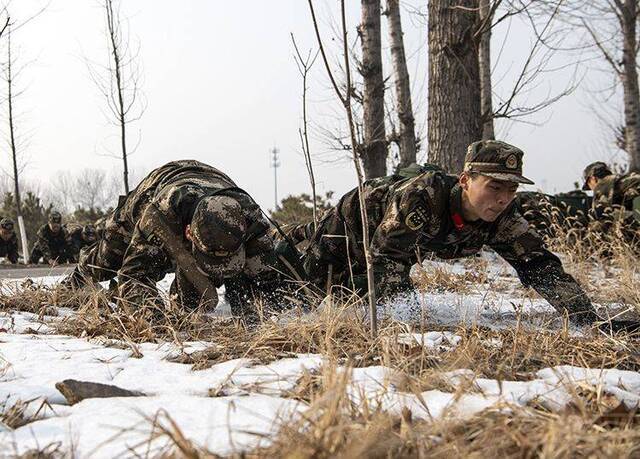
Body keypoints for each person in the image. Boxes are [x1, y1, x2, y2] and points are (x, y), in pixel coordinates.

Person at [302, 140, 622, 328]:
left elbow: (540, 265)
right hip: (348, 228)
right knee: (305, 290)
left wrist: (586, 319)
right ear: (466, 179)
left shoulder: (503, 217)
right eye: (494, 187)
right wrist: (410, 321)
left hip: (388, 248)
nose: (502, 198)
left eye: (511, 190)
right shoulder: (423, 196)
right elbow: (387, 260)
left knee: (348, 298)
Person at [65, 160, 292, 315]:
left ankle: (187, 294)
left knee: (192, 305)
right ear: (188, 234)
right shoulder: (160, 216)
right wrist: (155, 318)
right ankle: (78, 274)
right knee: (107, 262)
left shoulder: (250, 217)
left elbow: (266, 280)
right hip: (154, 189)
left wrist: (257, 311)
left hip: (212, 179)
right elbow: (134, 277)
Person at [581, 161, 640, 229]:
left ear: (592, 179)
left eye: (589, 185)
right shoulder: (620, 180)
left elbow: (601, 218)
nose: (592, 189)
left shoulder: (603, 184)